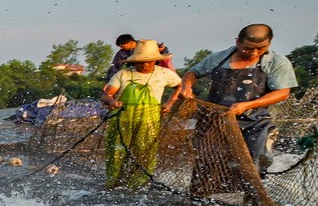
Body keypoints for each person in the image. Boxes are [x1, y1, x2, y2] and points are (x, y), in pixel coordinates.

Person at [175, 23, 298, 175]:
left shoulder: (276, 62)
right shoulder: (219, 58)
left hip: (254, 121)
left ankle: (251, 196)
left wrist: (248, 105)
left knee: (254, 164)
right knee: (207, 165)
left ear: (269, 43)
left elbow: (283, 92)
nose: (254, 52)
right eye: (248, 48)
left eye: (260, 48)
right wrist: (186, 87)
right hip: (214, 120)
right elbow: (191, 74)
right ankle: (203, 196)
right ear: (237, 42)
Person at [102, 39, 181, 189]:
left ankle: (140, 184)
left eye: (149, 61)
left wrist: (170, 103)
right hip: (122, 119)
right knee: (117, 150)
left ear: (155, 61)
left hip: (149, 119)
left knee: (145, 150)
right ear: (134, 61)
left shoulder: (164, 74)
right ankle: (113, 183)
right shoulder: (123, 74)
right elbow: (106, 95)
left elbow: (179, 86)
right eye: (140, 62)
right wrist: (112, 102)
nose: (144, 65)